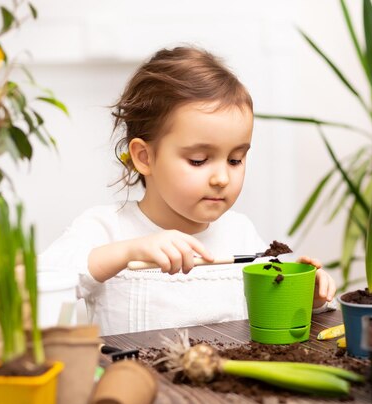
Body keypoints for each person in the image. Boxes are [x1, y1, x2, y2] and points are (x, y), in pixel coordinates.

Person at [39, 46, 336, 336]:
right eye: (198, 160)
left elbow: (276, 308)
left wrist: (309, 299)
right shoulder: (106, 228)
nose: (221, 177)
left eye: (235, 159)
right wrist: (128, 251)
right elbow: (42, 279)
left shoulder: (241, 233)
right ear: (145, 157)